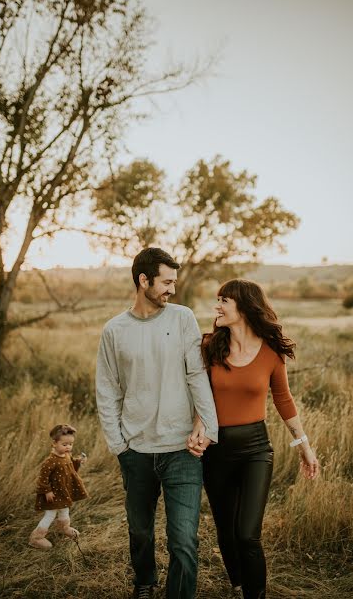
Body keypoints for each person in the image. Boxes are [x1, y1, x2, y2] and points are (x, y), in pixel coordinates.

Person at [95, 247, 218, 599]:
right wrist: (119, 446)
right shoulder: (114, 330)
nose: (172, 290)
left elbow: (198, 375)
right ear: (143, 280)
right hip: (136, 451)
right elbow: (107, 391)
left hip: (183, 450)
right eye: (166, 282)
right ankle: (145, 582)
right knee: (141, 532)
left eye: (174, 282)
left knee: (183, 541)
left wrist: (207, 428)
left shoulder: (182, 319)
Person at [187, 279, 319, 599]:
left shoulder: (271, 351)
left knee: (248, 534)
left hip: (256, 449)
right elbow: (198, 396)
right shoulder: (209, 346)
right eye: (217, 300)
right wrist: (198, 428)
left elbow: (284, 401)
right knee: (227, 531)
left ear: (243, 307)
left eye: (224, 301)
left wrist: (305, 447)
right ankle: (237, 584)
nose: (217, 306)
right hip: (216, 451)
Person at [29, 424, 88, 550]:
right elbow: (42, 478)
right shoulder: (50, 461)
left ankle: (64, 528)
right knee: (50, 515)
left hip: (63, 492)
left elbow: (70, 465)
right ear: (55, 443)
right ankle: (36, 538)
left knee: (64, 510)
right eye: (65, 444)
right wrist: (47, 491)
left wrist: (78, 462)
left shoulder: (66, 456)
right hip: (53, 494)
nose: (68, 447)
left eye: (70, 444)